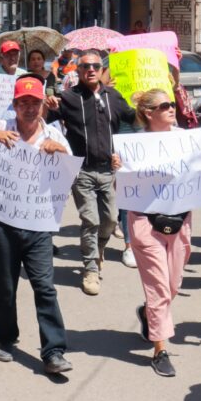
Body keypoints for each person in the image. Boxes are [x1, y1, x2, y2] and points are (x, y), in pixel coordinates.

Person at [0, 77, 73, 375]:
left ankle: (54, 350)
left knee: (45, 286)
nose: (30, 108)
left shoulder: (54, 134)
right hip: (2, 223)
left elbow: (70, 172)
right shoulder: (0, 125)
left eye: (35, 103)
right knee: (3, 286)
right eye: (24, 103)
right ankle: (6, 338)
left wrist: (58, 152)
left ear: (42, 105)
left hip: (38, 225)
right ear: (15, 104)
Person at [44, 49, 135, 296]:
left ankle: (98, 249)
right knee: (90, 220)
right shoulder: (69, 98)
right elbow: (43, 119)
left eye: (95, 65)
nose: (91, 70)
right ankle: (90, 269)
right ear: (78, 70)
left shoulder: (113, 96)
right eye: (86, 66)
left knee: (109, 220)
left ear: (101, 69)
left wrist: (144, 104)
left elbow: (135, 118)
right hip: (81, 172)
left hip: (109, 171)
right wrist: (47, 104)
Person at [115, 89, 190, 377]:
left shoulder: (186, 138)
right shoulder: (133, 145)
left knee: (172, 285)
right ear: (148, 112)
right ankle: (160, 348)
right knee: (159, 288)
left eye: (173, 104)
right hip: (146, 222)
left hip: (180, 220)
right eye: (165, 105)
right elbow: (121, 190)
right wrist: (119, 171)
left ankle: (148, 315)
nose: (173, 108)